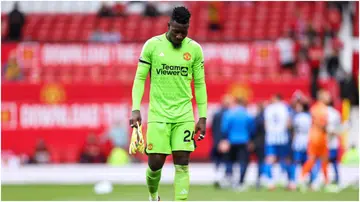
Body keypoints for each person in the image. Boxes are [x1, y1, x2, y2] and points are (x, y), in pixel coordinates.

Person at [130, 6, 207, 201]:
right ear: (168, 25)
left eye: (184, 31)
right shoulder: (152, 46)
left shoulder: (195, 50)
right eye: (176, 31)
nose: (180, 36)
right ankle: (153, 195)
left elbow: (199, 84)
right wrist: (135, 108)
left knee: (182, 162)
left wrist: (203, 116)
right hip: (158, 114)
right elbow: (140, 78)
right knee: (155, 163)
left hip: (184, 115)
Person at [298, 90, 330, 192]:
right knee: (322, 160)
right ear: (322, 97)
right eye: (327, 96)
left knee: (313, 159)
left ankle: (302, 178)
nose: (329, 98)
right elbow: (322, 124)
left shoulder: (314, 108)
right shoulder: (322, 109)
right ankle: (325, 182)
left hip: (313, 137)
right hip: (319, 138)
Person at [220, 97, 254, 191]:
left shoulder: (229, 113)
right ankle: (240, 182)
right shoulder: (247, 114)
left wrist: (225, 139)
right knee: (243, 162)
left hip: (231, 140)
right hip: (243, 141)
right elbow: (252, 129)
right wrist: (250, 139)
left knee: (230, 160)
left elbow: (224, 128)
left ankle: (229, 179)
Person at [263, 94, 291, 190]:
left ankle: (270, 182)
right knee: (285, 159)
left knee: (270, 159)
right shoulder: (285, 107)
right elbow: (288, 123)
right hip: (282, 137)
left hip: (271, 137)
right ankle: (288, 181)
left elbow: (266, 124)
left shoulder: (268, 108)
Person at [288, 101, 312, 190]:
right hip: (307, 141)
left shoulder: (297, 117)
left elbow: (292, 128)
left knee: (296, 162)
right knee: (307, 162)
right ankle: (310, 182)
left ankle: (293, 182)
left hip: (298, 142)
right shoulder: (309, 117)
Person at [211, 94, 233, 188]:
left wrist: (216, 140)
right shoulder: (230, 114)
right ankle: (227, 178)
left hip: (217, 140)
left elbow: (213, 128)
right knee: (228, 159)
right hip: (226, 141)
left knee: (217, 160)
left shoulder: (216, 113)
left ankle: (217, 177)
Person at [252, 102, 266, 189]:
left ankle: (259, 179)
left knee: (259, 161)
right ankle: (261, 178)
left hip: (257, 142)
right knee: (262, 161)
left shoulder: (256, 118)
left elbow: (253, 131)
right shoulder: (264, 118)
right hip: (263, 142)